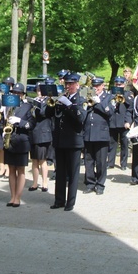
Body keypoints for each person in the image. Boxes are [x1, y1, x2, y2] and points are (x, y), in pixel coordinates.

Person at [44, 72, 86, 212]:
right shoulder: (61, 98)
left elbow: (80, 118)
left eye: (71, 84)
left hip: (74, 141)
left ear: (77, 85)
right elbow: (48, 114)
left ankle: (70, 202)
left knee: (73, 173)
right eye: (66, 84)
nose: (68, 86)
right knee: (60, 172)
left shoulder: (82, 99)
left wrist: (69, 106)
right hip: (60, 140)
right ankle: (59, 200)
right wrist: (51, 103)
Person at [2, 83, 36, 207]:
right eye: (14, 93)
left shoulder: (28, 106)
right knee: (11, 169)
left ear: (22, 95)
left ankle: (18, 197)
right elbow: (2, 122)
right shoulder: (7, 106)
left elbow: (31, 124)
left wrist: (19, 121)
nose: (16, 95)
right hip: (10, 140)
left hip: (22, 140)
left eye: (18, 93)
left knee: (20, 170)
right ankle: (12, 196)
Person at [83, 77, 114, 195]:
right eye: (94, 86)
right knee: (88, 161)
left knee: (101, 162)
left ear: (102, 86)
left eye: (97, 86)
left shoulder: (109, 98)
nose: (95, 88)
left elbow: (109, 112)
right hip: (89, 133)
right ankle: (90, 183)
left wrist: (98, 103)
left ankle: (100, 184)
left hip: (101, 134)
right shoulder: (88, 96)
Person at [29, 79, 55, 192]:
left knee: (42, 160)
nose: (39, 92)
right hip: (33, 133)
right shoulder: (34, 101)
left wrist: (38, 108)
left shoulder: (48, 101)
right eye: (37, 90)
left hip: (43, 133)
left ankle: (45, 182)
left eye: (41, 90)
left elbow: (46, 113)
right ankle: (35, 182)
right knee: (34, 160)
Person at [107, 76, 130, 170]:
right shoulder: (110, 94)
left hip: (123, 122)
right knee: (112, 143)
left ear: (124, 85)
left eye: (120, 84)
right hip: (113, 122)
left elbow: (130, 109)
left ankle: (123, 164)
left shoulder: (128, 94)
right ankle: (110, 162)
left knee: (124, 144)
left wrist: (128, 121)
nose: (118, 85)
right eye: (117, 84)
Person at [0, 76, 16, 179]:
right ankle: (2, 167)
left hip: (9, 125)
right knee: (1, 147)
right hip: (1, 124)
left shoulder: (13, 97)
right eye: (6, 85)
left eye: (10, 85)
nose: (8, 87)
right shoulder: (0, 96)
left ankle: (8, 168)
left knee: (8, 147)